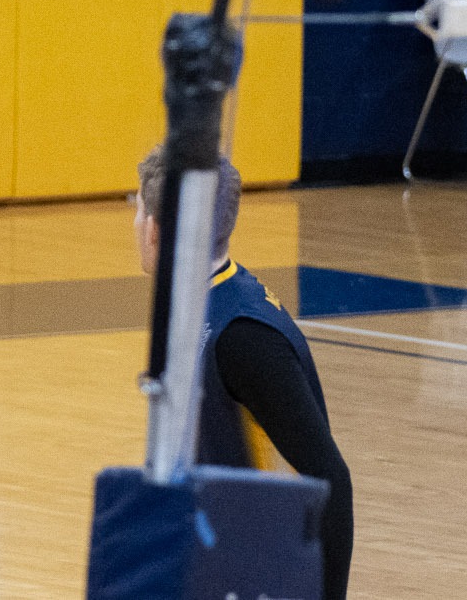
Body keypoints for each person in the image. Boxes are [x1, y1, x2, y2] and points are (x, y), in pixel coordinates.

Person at [134, 150, 353, 600]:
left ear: (156, 230)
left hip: (256, 577)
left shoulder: (242, 335)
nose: (134, 222)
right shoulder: (199, 308)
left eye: (136, 207)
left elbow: (331, 480)